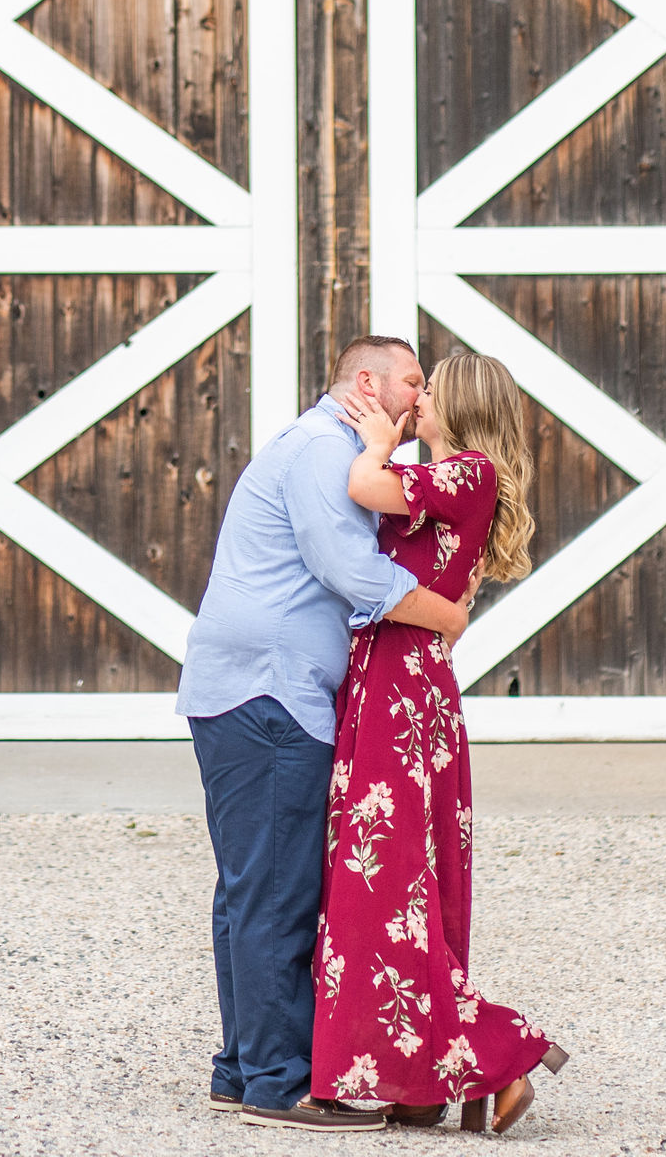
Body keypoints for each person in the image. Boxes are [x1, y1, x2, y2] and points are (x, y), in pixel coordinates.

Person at [179, 334, 474, 1132]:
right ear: (369, 382)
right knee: (276, 889)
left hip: (250, 690)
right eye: (414, 382)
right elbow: (350, 570)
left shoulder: (337, 453)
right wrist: (444, 613)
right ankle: (280, 1085)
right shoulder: (320, 451)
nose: (421, 398)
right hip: (270, 695)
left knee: (249, 886)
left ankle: (243, 1069)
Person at [314, 351, 571, 1134]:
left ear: (458, 405)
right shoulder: (454, 480)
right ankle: (424, 1081)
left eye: (429, 393)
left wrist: (375, 439)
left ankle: (501, 1054)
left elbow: (363, 488)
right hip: (394, 677)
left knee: (386, 887)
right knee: (393, 887)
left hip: (403, 687)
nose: (416, 401)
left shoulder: (467, 472)